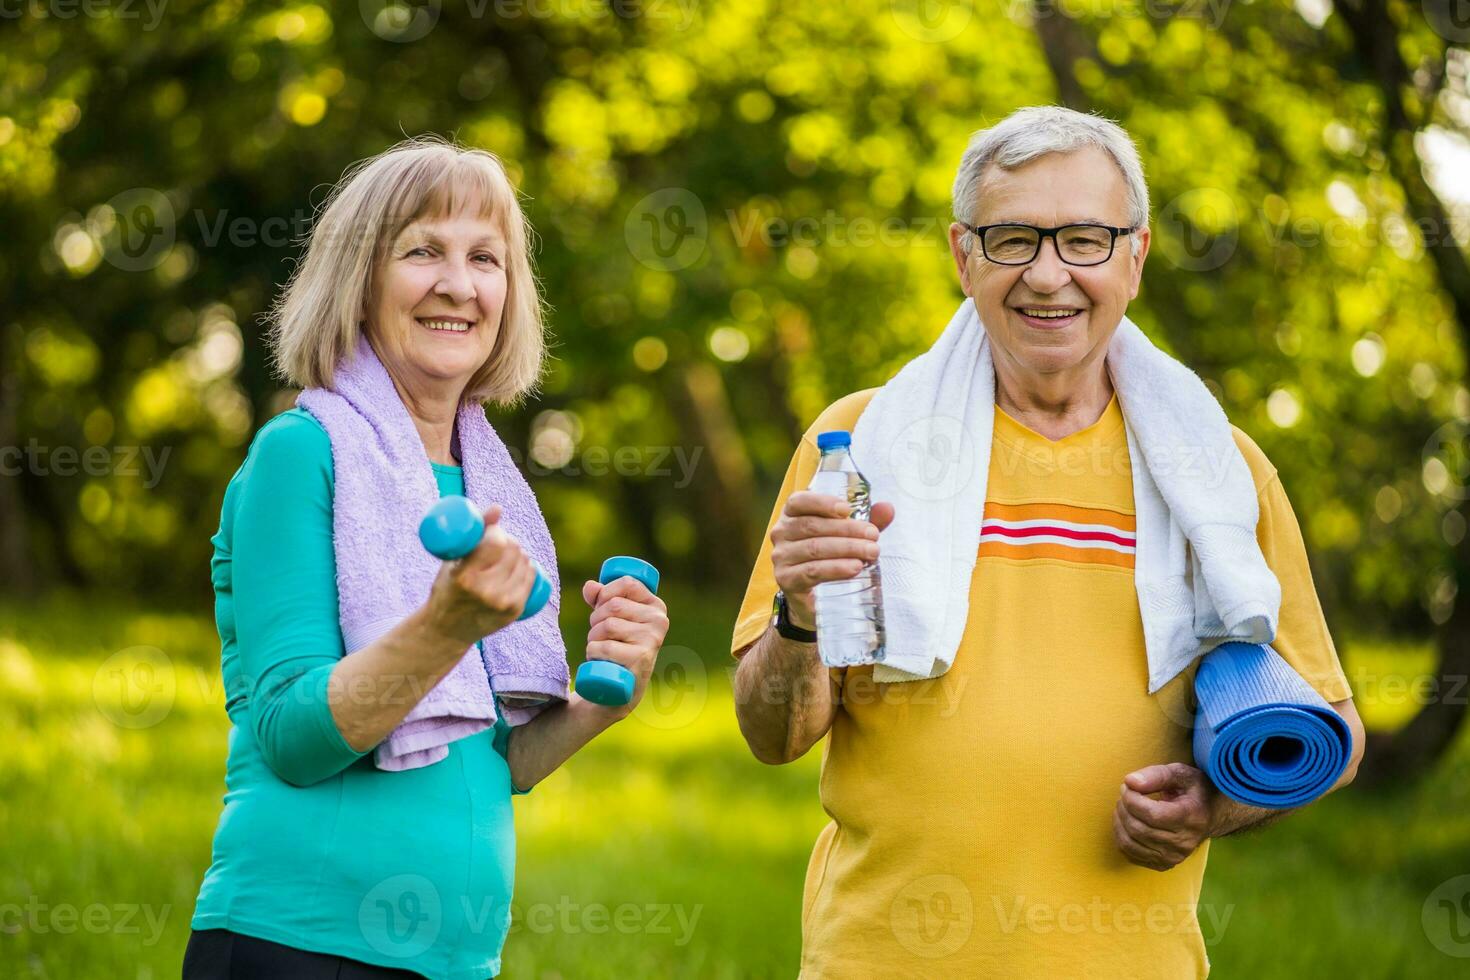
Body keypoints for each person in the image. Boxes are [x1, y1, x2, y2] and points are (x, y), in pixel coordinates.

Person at [729, 106, 1366, 977]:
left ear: (1135, 257)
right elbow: (775, 736)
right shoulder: (856, 452)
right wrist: (799, 613)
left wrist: (1213, 807)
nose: (1048, 274)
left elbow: (1334, 728)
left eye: (1085, 240)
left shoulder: (1220, 474)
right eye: (1013, 239)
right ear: (964, 256)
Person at [184, 137, 669, 980]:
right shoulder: (301, 454)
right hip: (298, 945)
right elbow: (295, 738)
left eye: (486, 257)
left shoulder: (485, 482)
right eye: (422, 251)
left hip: (452, 960)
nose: (458, 283)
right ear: (358, 280)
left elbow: (497, 765)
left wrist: (602, 695)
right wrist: (445, 627)